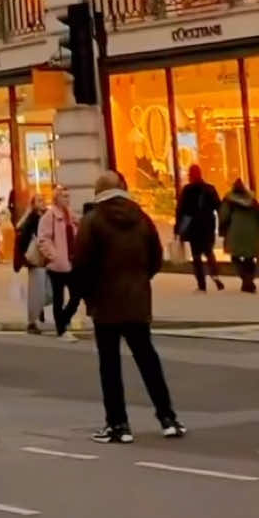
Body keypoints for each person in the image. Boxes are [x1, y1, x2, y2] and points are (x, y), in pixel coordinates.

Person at [72, 170, 186, 444]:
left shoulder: (93, 220)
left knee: (109, 365)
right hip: (136, 301)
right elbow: (156, 259)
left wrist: (88, 296)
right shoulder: (142, 218)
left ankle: (118, 424)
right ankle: (167, 418)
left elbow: (82, 264)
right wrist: (139, 281)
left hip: (105, 303)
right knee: (148, 359)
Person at [174, 164, 225, 292]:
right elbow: (218, 207)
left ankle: (201, 284)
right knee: (208, 252)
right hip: (207, 226)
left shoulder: (187, 190)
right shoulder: (209, 189)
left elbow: (180, 211)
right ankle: (215, 275)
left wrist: (178, 228)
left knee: (196, 256)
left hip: (193, 227)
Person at [37, 185, 79, 335]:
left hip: (71, 262)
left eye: (68, 196)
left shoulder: (70, 215)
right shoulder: (50, 216)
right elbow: (43, 239)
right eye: (64, 196)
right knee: (58, 298)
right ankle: (60, 329)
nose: (67, 199)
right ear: (57, 198)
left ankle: (63, 319)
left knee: (76, 295)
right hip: (57, 265)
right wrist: (53, 256)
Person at [218, 179, 259, 293]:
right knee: (250, 258)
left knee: (235, 257)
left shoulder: (229, 200)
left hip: (235, 232)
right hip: (253, 231)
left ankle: (246, 280)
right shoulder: (252, 200)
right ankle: (248, 280)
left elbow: (224, 216)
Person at [13, 192, 49, 333]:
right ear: (33, 204)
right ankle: (32, 322)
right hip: (35, 259)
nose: (42, 202)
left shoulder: (46, 216)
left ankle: (38, 309)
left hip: (46, 258)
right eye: (39, 200)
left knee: (48, 291)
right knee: (36, 291)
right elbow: (22, 239)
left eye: (43, 199)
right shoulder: (32, 218)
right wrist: (25, 257)